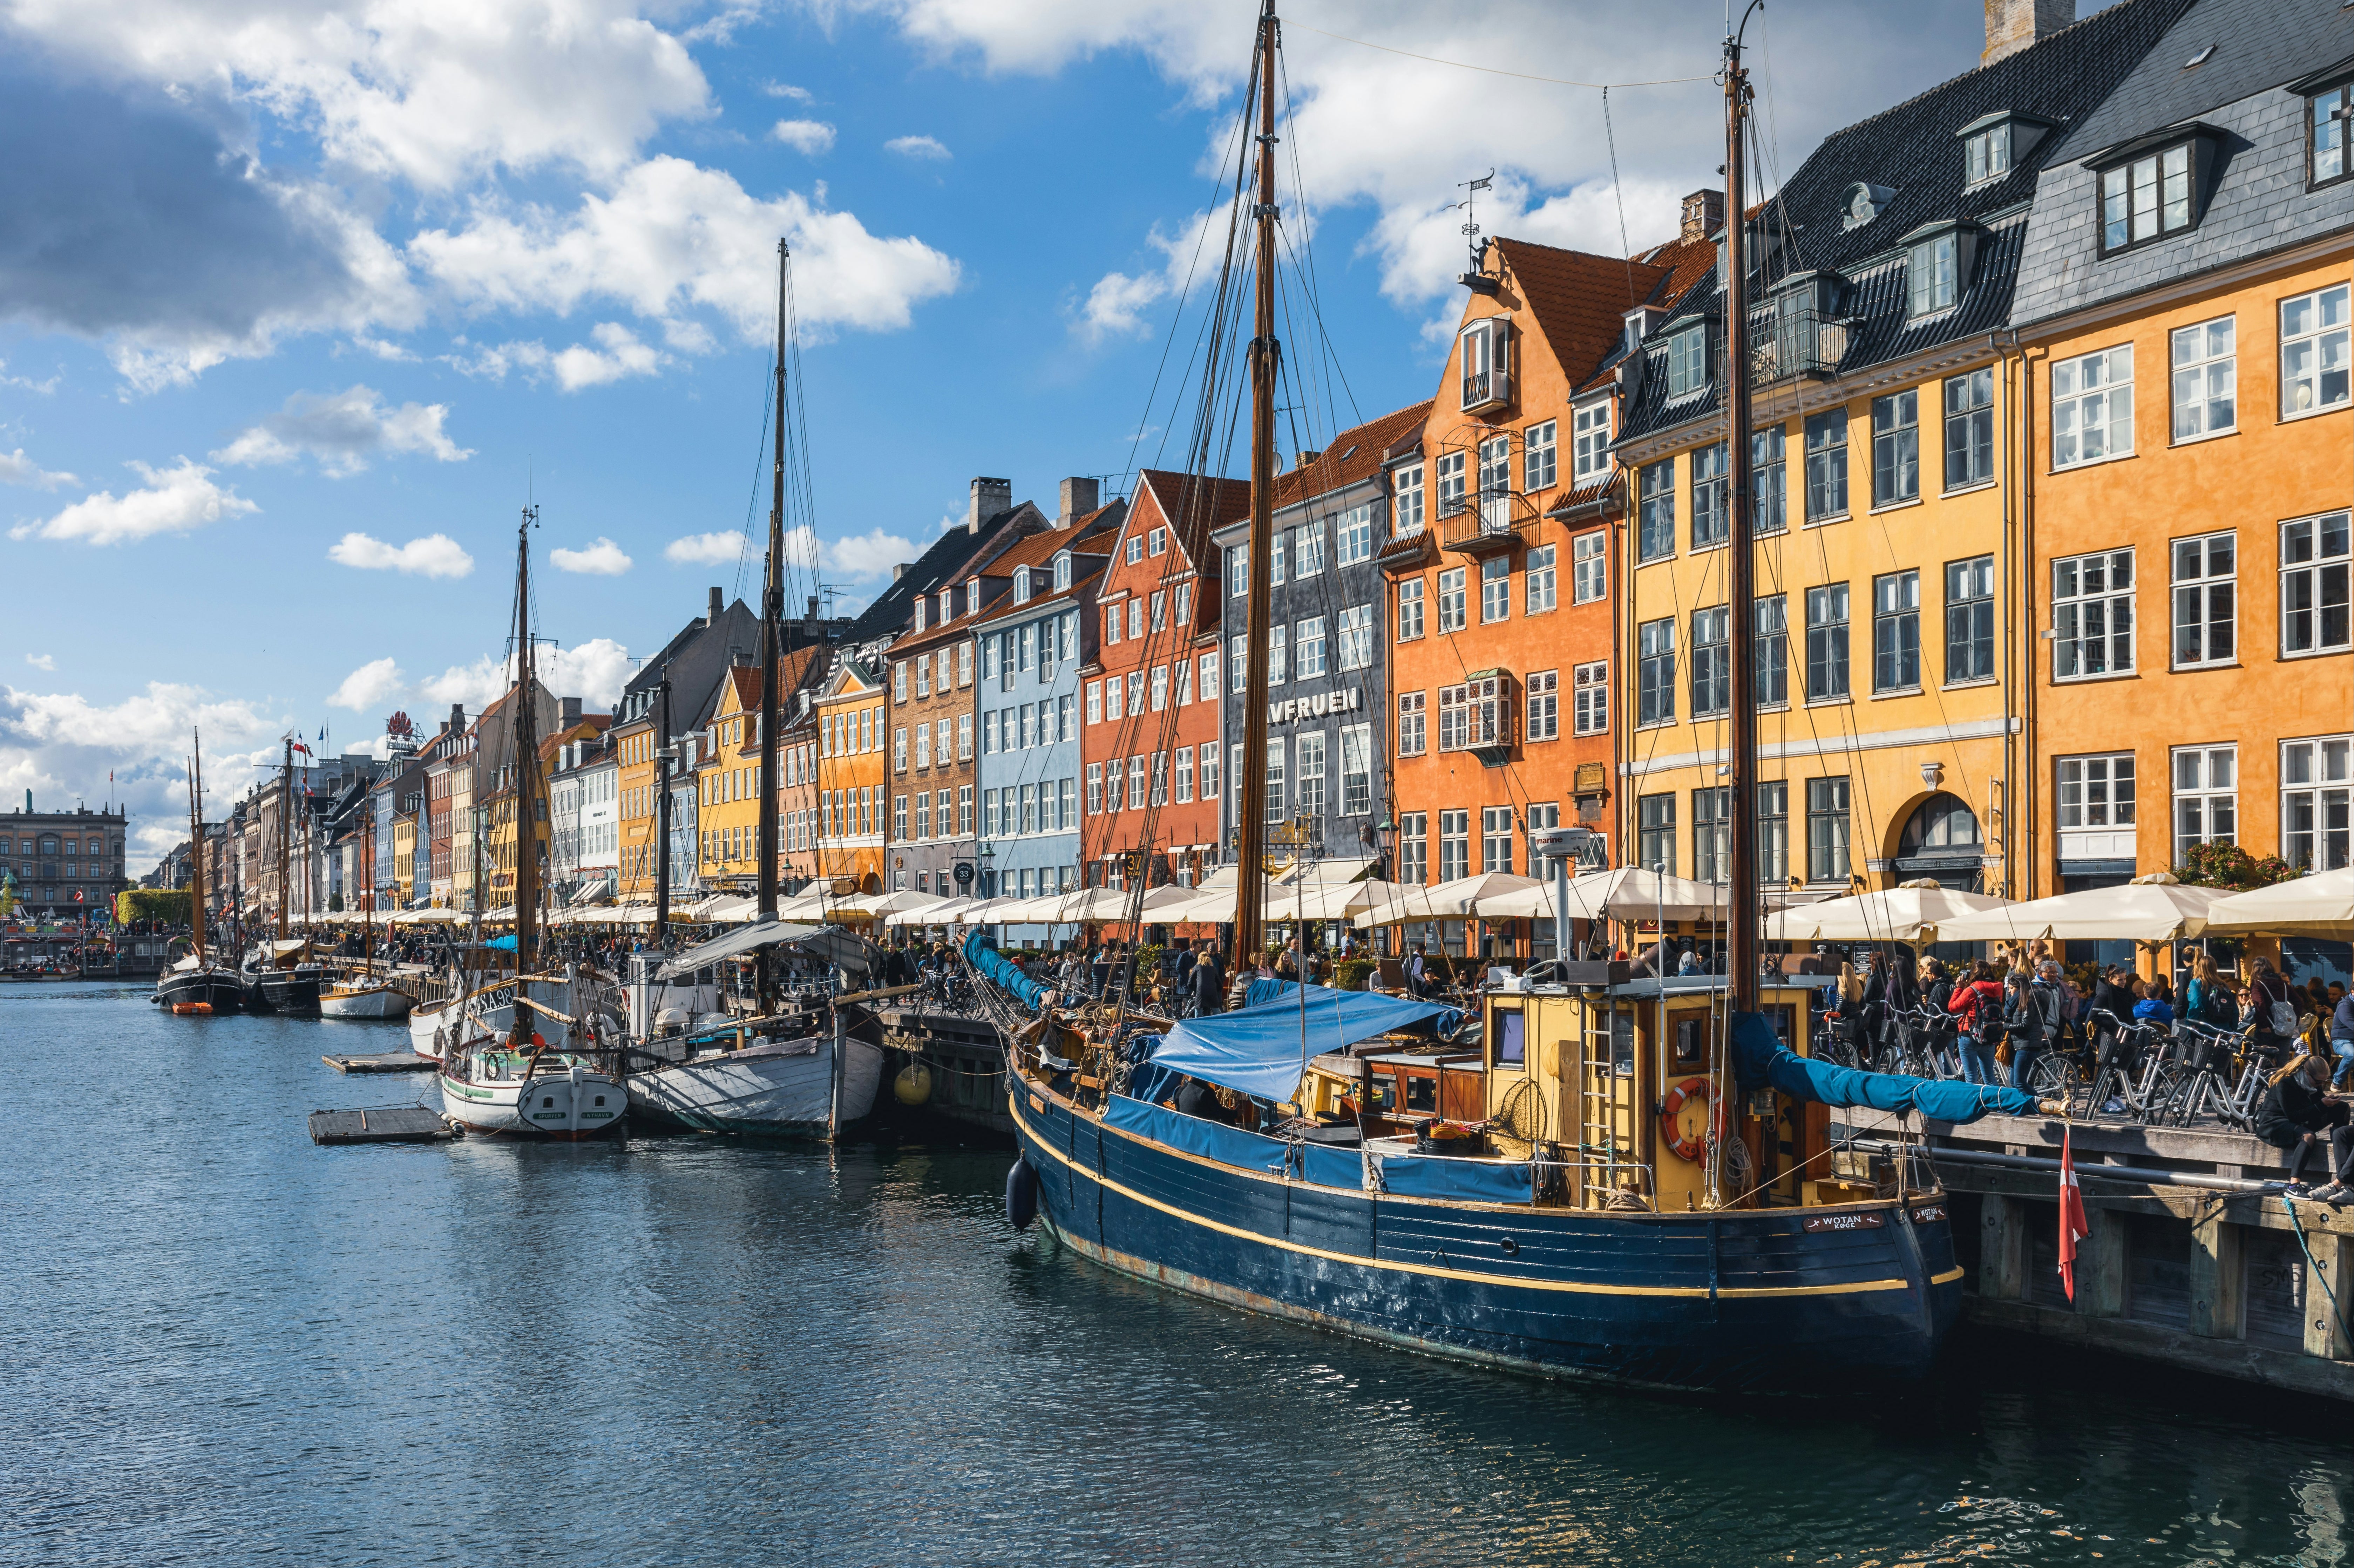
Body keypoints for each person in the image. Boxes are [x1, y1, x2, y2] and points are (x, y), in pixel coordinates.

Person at [2256, 1051, 2352, 1197]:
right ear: (2307, 1073)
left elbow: (2317, 1105)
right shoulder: (2285, 1083)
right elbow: (2293, 1116)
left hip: (2300, 1120)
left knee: (2343, 1108)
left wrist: (2330, 1102)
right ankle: (2294, 1185)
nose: (2321, 1085)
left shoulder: (2314, 1083)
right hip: (2274, 1124)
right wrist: (2322, 1105)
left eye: (2324, 1082)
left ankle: (2342, 1156)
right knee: (2309, 1136)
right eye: (2318, 1082)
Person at [1947, 960, 2007, 1086]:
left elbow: (1953, 1007)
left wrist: (1959, 988)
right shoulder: (1998, 988)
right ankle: (1995, 1103)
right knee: (1990, 1077)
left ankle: (1974, 1104)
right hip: (1989, 1035)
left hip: (1969, 1035)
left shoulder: (1972, 990)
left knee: (1971, 1078)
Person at [2331, 986, 2354, 1092]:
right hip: (2341, 1040)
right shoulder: (2345, 1005)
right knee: (2352, 1054)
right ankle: (2337, 1082)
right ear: (2353, 992)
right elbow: (2351, 1023)